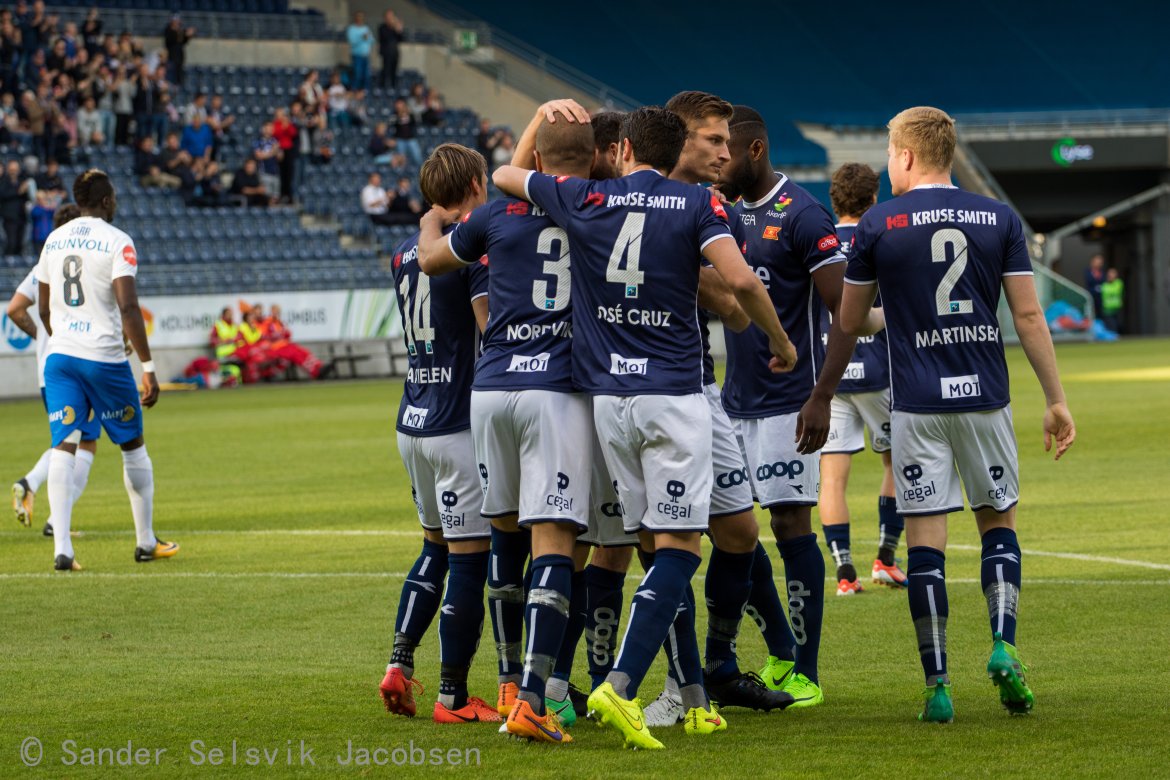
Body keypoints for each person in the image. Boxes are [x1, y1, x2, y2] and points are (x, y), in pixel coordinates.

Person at [494, 106, 797, 749]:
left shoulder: (585, 197)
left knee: (649, 543)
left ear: (625, 149)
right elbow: (740, 281)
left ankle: (672, 691)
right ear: (674, 149)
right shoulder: (697, 204)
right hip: (673, 397)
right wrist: (780, 340)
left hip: (608, 402)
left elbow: (503, 177)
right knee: (680, 548)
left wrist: (538, 123)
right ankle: (622, 684)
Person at [837, 106, 1076, 723]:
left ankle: (938, 686)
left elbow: (853, 320)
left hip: (917, 407)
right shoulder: (998, 217)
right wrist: (1055, 399)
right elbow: (1027, 316)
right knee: (998, 526)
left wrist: (891, 317)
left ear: (907, 156)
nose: (888, 166)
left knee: (926, 544)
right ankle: (1003, 646)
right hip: (985, 400)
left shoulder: (879, 224)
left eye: (890, 155)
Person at [416, 103, 601, 742]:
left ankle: (504, 680)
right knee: (555, 542)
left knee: (502, 534)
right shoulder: (598, 207)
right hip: (557, 390)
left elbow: (433, 259)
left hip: (490, 389)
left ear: (537, 159)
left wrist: (430, 219)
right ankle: (532, 698)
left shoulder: (495, 215)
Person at [628, 92, 795, 726]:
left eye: (728, 141)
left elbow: (729, 304)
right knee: (656, 543)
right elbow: (731, 299)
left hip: (699, 385)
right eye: (713, 140)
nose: (725, 153)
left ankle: (718, 666)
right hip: (641, 392)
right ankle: (674, 685)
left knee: (739, 531)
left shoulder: (706, 204)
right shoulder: (640, 200)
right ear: (678, 138)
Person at [715, 105, 871, 709]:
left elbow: (845, 315)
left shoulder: (803, 214)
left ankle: (805, 670)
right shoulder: (724, 212)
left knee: (788, 524)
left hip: (788, 402)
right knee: (733, 527)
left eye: (727, 151)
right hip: (733, 402)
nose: (718, 162)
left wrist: (821, 395)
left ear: (755, 150)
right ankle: (779, 648)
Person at [378, 144, 496, 727]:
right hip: (457, 422)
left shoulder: (404, 252)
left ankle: (399, 663)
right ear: (475, 184)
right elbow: (488, 327)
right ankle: (453, 696)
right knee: (471, 560)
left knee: (434, 548)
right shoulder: (468, 248)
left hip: (414, 419)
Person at [35, 169, 179, 571]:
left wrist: (65, 337)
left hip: (60, 359)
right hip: (103, 358)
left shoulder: (53, 239)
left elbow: (44, 309)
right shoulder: (118, 241)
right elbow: (128, 306)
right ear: (105, 201)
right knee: (132, 445)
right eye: (112, 197)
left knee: (64, 445)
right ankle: (145, 542)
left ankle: (63, 549)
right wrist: (148, 367)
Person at [817, 162, 907, 595]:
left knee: (832, 476)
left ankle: (844, 573)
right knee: (898, 463)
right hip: (879, 371)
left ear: (834, 200)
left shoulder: (817, 242)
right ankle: (885, 559)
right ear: (874, 198)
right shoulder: (882, 237)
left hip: (830, 374)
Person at [10, 203, 101, 537]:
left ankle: (33, 490)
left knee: (68, 438)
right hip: (79, 364)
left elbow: (15, 309)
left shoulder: (42, 265)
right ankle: (51, 516)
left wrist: (42, 337)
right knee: (83, 444)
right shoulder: (84, 261)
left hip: (48, 369)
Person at [260, 304, 323, 379]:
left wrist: (284, 333)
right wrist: (279, 334)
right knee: (295, 354)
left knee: (302, 352)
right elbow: (265, 336)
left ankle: (318, 366)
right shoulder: (267, 322)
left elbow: (288, 335)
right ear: (271, 311)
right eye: (274, 311)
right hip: (274, 347)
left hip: (283, 346)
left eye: (278, 311)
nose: (276, 313)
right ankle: (315, 372)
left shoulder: (280, 322)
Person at [0, 158, 30, 255]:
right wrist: (19, 191)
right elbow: (3, 194)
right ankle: (7, 263)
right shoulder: (3, 180)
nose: (14, 172)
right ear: (8, 169)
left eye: (15, 169)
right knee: (11, 243)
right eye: (12, 169)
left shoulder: (22, 180)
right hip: (9, 217)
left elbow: (27, 197)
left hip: (21, 216)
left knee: (20, 244)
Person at [346, 11, 373, 92]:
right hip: (357, 55)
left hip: (366, 55)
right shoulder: (352, 29)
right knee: (357, 74)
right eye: (358, 16)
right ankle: (355, 90)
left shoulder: (366, 28)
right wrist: (362, 38)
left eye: (361, 17)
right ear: (355, 18)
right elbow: (352, 41)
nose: (360, 18)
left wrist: (367, 38)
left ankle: (365, 92)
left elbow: (371, 40)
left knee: (366, 75)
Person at [163, 15, 194, 86]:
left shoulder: (180, 31)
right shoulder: (168, 30)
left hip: (179, 58)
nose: (177, 23)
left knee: (179, 77)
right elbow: (171, 40)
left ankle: (178, 86)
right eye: (175, 21)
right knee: (171, 76)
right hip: (171, 57)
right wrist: (183, 33)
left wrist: (187, 35)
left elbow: (183, 42)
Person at [378, 9, 403, 91]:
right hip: (386, 53)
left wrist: (399, 30)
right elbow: (385, 37)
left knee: (394, 72)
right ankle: (382, 88)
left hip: (394, 53)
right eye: (388, 17)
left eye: (391, 17)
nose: (390, 19)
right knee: (385, 72)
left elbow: (401, 39)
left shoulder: (395, 28)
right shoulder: (382, 27)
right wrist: (392, 27)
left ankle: (393, 88)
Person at [1101, 268, 1124, 334]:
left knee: (1117, 324)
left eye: (1112, 274)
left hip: (1116, 307)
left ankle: (1115, 335)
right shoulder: (1104, 284)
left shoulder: (1118, 283)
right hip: (1107, 308)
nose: (1111, 276)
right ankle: (1112, 336)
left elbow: (1115, 291)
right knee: (1110, 324)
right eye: (1109, 274)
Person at [1084, 254, 1105, 320]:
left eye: (1100, 262)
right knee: (1090, 314)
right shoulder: (1088, 272)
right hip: (1091, 296)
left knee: (1100, 316)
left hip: (1101, 299)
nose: (1099, 264)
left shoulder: (1103, 272)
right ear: (1092, 262)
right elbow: (1089, 282)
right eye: (1097, 262)